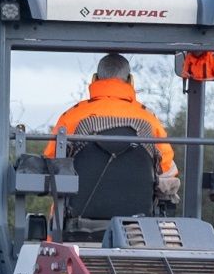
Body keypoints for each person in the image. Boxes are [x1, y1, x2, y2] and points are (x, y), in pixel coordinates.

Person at [45, 53, 180, 201]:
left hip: (77, 211)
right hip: (138, 212)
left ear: (94, 79)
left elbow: (51, 167)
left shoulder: (70, 117)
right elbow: (167, 173)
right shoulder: (150, 120)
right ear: (131, 81)